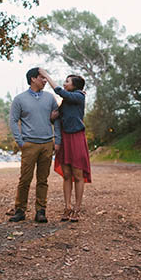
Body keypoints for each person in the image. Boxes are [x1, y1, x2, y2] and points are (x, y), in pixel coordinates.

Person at [8, 67, 61, 223]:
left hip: (47, 144)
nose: (45, 80)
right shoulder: (19, 99)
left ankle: (41, 211)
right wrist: (20, 141)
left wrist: (57, 140)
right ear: (33, 79)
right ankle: (19, 210)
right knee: (25, 179)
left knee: (43, 180)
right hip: (29, 144)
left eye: (45, 78)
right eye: (42, 78)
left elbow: (56, 120)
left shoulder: (50, 98)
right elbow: (13, 120)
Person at [39, 69, 91, 222]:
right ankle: (67, 206)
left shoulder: (79, 97)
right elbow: (57, 120)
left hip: (76, 138)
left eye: (67, 81)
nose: (64, 83)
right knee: (67, 175)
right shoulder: (66, 102)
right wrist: (52, 118)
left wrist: (47, 76)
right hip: (65, 140)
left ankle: (77, 208)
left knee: (78, 174)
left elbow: (60, 92)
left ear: (75, 86)